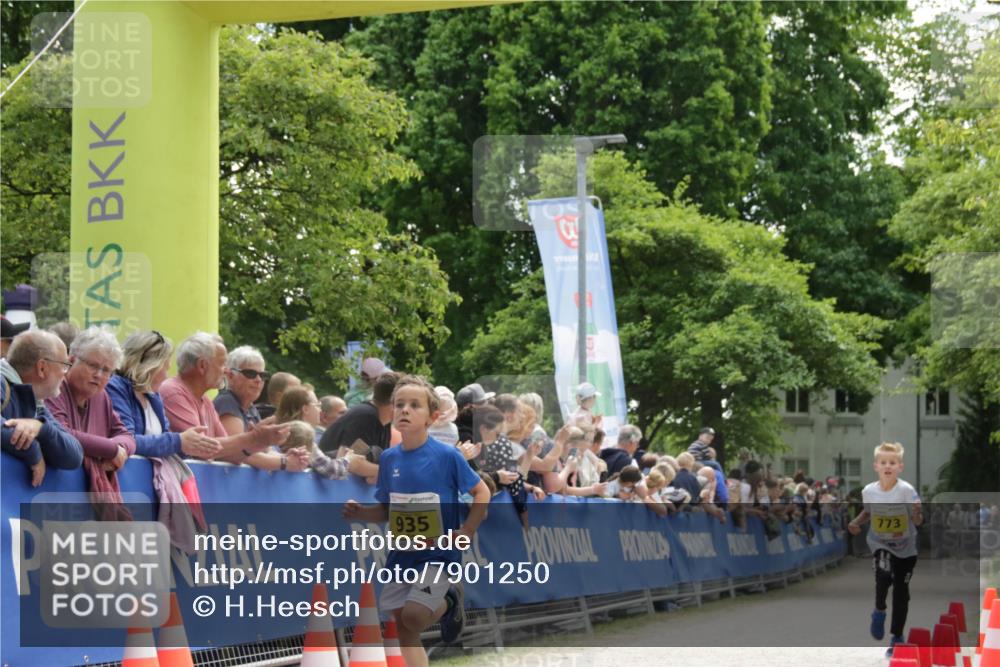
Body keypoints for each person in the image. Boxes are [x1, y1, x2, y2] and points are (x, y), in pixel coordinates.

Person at [343, 375, 491, 667]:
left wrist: (467, 530)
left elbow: (482, 490)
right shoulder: (388, 459)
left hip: (439, 553)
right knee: (402, 628)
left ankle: (450, 599)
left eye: (414, 405)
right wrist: (361, 513)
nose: (405, 410)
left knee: (413, 616)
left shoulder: (447, 456)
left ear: (432, 417)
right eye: (399, 405)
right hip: (402, 554)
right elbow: (387, 509)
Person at [159, 332, 300, 471]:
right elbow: (202, 450)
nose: (226, 371)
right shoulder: (173, 392)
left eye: (262, 375)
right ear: (202, 365)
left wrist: (261, 441)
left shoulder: (206, 402)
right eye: (222, 364)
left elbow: (227, 453)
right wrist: (256, 438)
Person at [848, 442, 923, 657]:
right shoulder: (869, 491)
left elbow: (917, 521)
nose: (887, 466)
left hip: (906, 549)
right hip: (881, 544)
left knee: (901, 592)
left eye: (892, 462)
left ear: (900, 466)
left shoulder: (907, 491)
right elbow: (868, 512)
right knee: (882, 576)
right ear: (876, 466)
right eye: (883, 462)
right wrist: (855, 522)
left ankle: (897, 636)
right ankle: (879, 610)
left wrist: (917, 514)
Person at [107, 331, 222, 459]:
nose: (166, 376)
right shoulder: (115, 388)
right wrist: (179, 441)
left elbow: (166, 443)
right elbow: (126, 441)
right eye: (165, 368)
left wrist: (188, 446)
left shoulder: (153, 397)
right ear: (150, 366)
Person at [2, 329, 83, 486]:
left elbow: (74, 456)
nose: (65, 374)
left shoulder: (36, 403)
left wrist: (40, 428)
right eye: (65, 365)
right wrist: (33, 452)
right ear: (42, 368)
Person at [318, 373, 399, 475]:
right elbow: (348, 462)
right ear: (395, 402)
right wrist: (389, 473)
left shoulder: (383, 421)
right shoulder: (366, 417)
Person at [215, 346, 268, 435]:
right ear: (230, 376)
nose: (258, 380)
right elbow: (236, 447)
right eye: (251, 373)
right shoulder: (226, 402)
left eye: (262, 375)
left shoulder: (249, 408)